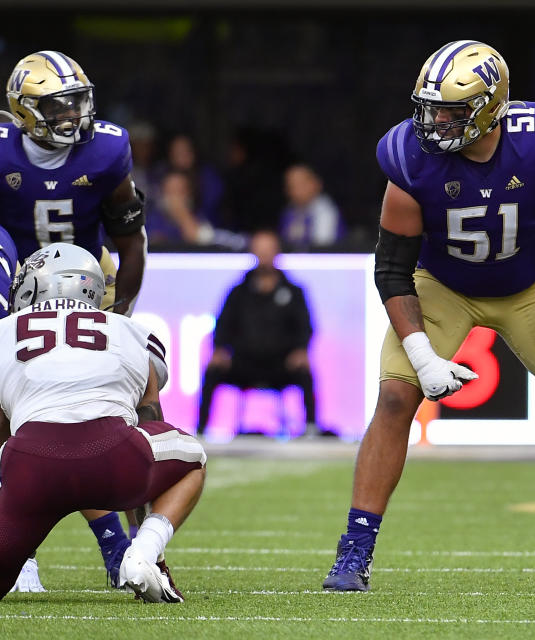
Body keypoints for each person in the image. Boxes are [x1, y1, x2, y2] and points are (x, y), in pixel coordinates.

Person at [321, 41, 535, 593]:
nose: (433, 122)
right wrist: (421, 356)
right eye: (430, 107)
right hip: (442, 286)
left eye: (450, 111)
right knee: (394, 398)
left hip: (530, 285)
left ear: (489, 108)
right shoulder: (411, 156)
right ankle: (354, 552)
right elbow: (392, 269)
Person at [0, 50, 149, 591]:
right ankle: (22, 549)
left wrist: (120, 317)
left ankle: (132, 548)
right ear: (22, 111)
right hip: (14, 276)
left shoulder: (107, 151)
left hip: (89, 281)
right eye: (57, 107)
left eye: (77, 104)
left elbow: (131, 241)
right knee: (13, 413)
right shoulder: (2, 155)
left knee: (103, 411)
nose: (72, 117)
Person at [0, 243, 206, 602]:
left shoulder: (4, 331)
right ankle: (143, 552)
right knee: (192, 458)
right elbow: (150, 418)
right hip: (115, 458)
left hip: (30, 471)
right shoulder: (130, 331)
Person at [197, 229, 330, 439]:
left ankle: (311, 428)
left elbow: (306, 327)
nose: (264, 255)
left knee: (305, 372)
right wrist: (219, 349)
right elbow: (222, 325)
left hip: (281, 365)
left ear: (277, 252)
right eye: (260, 250)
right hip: (244, 363)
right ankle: (201, 430)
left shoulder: (294, 291)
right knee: (212, 370)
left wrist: (301, 350)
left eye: (268, 250)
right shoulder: (239, 291)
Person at [279, 164, 345, 250]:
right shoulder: (288, 212)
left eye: (301, 183)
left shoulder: (325, 211)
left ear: (316, 184)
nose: (296, 189)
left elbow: (321, 248)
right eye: (291, 185)